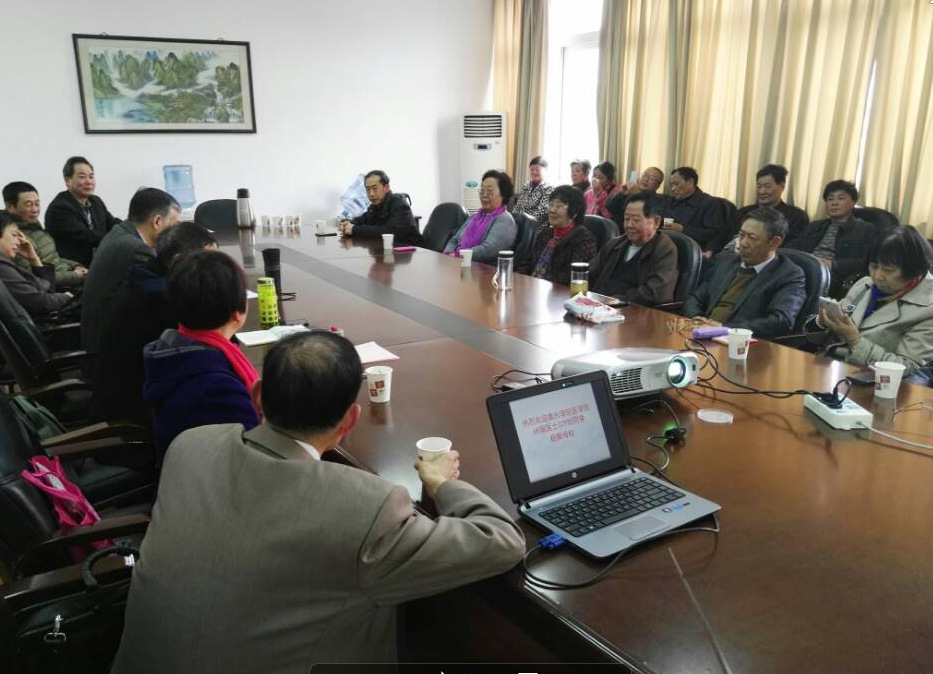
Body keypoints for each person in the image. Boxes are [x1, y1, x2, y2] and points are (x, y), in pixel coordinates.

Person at [113, 330, 525, 671]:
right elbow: (503, 541)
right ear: (350, 419)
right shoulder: (367, 509)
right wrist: (441, 484)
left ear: (257, 396)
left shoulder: (190, 446)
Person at [91, 223, 218, 426]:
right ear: (179, 261)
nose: (216, 269)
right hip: (138, 417)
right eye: (209, 262)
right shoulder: (163, 300)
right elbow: (209, 352)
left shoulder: (145, 275)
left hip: (127, 395)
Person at [142, 250, 260, 463]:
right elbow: (256, 453)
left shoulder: (174, 349)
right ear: (237, 313)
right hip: (211, 477)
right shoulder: (218, 388)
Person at [81, 188, 180, 370]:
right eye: (174, 225)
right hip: (109, 356)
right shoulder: (137, 250)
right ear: (157, 221)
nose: (176, 233)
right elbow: (163, 299)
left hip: (95, 338)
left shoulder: (119, 232)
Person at [816, 226, 933, 373]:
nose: (877, 276)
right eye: (874, 266)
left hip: (874, 380)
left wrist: (855, 341)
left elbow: (908, 368)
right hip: (830, 366)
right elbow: (827, 336)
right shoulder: (864, 284)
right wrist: (822, 322)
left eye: (888, 270)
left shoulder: (928, 308)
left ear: (914, 270)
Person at [684, 208, 806, 339]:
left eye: (752, 238)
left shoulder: (789, 274)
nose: (742, 243)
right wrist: (697, 319)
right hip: (701, 334)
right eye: (741, 235)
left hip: (741, 343)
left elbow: (780, 321)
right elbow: (695, 298)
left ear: (774, 242)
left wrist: (724, 329)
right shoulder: (725, 262)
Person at [789, 179, 878, 296]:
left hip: (832, 276)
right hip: (804, 267)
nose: (834, 203)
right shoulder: (815, 226)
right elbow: (795, 246)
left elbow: (867, 262)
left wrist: (833, 265)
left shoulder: (865, 229)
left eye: (841, 198)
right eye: (830, 199)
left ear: (853, 202)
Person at [589, 191, 679, 306]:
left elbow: (654, 294)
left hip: (632, 311)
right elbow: (590, 274)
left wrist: (615, 301)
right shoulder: (615, 244)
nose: (629, 225)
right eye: (626, 219)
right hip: (598, 306)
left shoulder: (665, 250)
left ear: (656, 222)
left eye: (636, 220)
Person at [3, 181, 87, 289]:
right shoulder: (16, 239)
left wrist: (75, 266)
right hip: (58, 289)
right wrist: (75, 276)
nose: (35, 210)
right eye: (28, 205)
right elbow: (35, 278)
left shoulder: (33, 226)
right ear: (10, 206)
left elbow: (54, 259)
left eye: (37, 204)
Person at [45, 156, 121, 266]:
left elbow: (111, 222)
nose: (89, 182)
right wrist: (119, 237)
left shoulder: (96, 201)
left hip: (99, 263)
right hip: (73, 268)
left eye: (91, 177)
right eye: (82, 177)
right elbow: (86, 236)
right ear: (67, 180)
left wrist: (132, 227)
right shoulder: (60, 208)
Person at [715, 164, 809, 253]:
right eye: (759, 186)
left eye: (767, 187)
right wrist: (710, 250)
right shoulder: (743, 212)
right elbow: (722, 236)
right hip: (728, 256)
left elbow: (791, 248)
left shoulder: (796, 216)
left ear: (782, 186)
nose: (762, 191)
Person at [519, 185, 597, 285]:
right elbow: (527, 264)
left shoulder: (584, 239)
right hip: (532, 287)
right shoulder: (545, 234)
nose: (552, 210)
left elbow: (572, 278)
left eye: (558, 206)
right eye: (551, 205)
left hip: (558, 291)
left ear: (574, 212)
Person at [0, 211, 73, 318]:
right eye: (14, 235)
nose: (19, 242)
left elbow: (46, 291)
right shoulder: (2, 266)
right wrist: (68, 297)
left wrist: (34, 258)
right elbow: (40, 303)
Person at [444, 170, 517, 263]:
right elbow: (454, 240)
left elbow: (487, 250)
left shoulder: (505, 220)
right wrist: (446, 256)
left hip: (483, 269)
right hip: (460, 263)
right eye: (482, 191)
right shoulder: (474, 217)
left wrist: (456, 256)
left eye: (489, 191)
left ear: (503, 195)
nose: (484, 195)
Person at [337, 170, 424, 246]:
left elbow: (389, 232)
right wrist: (346, 224)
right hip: (387, 251)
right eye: (368, 189)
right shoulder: (374, 207)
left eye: (375, 189)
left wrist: (354, 229)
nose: (371, 194)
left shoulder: (400, 206)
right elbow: (361, 220)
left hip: (413, 252)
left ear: (386, 188)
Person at [659, 166, 729, 256]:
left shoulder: (709, 203)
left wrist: (683, 229)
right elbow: (664, 223)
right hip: (666, 247)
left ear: (690, 182)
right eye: (671, 185)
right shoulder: (671, 202)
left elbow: (713, 234)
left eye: (676, 184)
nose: (673, 189)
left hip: (691, 251)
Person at [512, 156, 553, 224]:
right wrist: (513, 218)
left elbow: (541, 213)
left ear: (545, 170)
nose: (534, 172)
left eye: (537, 170)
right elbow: (518, 207)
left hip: (537, 225)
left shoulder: (549, 188)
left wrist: (523, 220)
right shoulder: (526, 186)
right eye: (532, 170)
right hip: (520, 223)